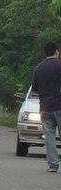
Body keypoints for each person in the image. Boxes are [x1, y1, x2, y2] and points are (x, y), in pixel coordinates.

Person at [31, 41, 61, 173]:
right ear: (56, 52)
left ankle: (53, 165)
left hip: (45, 107)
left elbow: (35, 88)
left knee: (49, 137)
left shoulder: (38, 68)